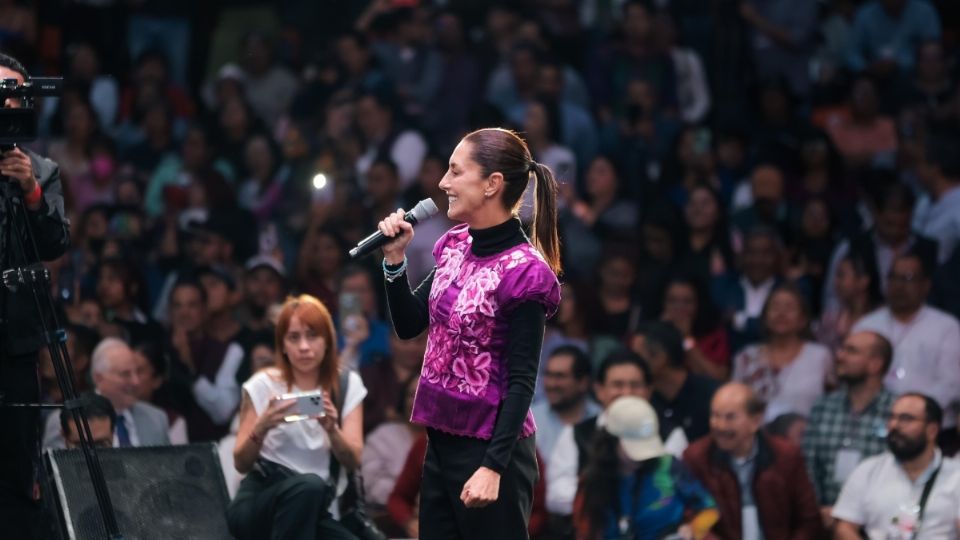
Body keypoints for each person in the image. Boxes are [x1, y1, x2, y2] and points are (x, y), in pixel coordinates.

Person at [378, 127, 562, 539]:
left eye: (456, 172)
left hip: (491, 449)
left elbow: (521, 382)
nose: (443, 183)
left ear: (492, 184)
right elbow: (409, 325)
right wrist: (394, 261)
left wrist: (493, 467)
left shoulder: (525, 272)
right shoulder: (456, 244)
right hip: (441, 440)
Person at [0, 50, 71, 539]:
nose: (5, 101)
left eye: (13, 92)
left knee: (18, 469)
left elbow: (55, 242)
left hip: (17, 341)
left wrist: (28, 189)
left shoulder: (41, 169)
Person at [227, 294, 366, 540]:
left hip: (315, 509)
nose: (304, 347)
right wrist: (262, 426)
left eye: (312, 336)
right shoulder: (263, 384)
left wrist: (333, 429)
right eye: (294, 337)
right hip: (261, 500)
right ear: (282, 345)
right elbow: (240, 463)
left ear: (327, 341)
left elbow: (353, 461)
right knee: (309, 485)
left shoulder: (346, 384)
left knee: (312, 492)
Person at [683, 383, 824, 539]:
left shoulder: (787, 456)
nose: (721, 426)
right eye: (715, 416)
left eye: (730, 417)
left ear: (755, 421)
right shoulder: (696, 458)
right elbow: (692, 516)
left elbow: (808, 520)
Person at [574, 396, 719, 540]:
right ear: (611, 441)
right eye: (633, 448)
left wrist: (693, 529)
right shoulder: (591, 482)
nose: (642, 457)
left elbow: (710, 509)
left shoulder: (668, 466)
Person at [852, 252, 960, 445]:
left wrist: (912, 412)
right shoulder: (867, 325)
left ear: (925, 285)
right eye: (894, 277)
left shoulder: (947, 326)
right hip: (876, 424)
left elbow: (951, 383)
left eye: (908, 278)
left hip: (934, 428)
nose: (899, 285)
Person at [545, 349, 652, 537]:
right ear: (599, 390)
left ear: (649, 391)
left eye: (635, 385)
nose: (626, 393)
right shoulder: (575, 434)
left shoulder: (668, 434)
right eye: (617, 385)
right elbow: (555, 496)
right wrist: (606, 497)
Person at [832, 393, 960, 539]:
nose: (894, 425)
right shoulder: (869, 469)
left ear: (932, 430)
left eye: (906, 419)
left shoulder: (956, 475)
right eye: (892, 417)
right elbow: (844, 526)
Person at [802, 331, 895, 530]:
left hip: (877, 523)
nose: (840, 356)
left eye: (851, 351)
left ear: (875, 364)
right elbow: (808, 464)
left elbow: (898, 472)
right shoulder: (823, 405)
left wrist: (852, 517)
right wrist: (818, 508)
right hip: (823, 517)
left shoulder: (896, 411)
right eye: (842, 349)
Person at [43, 338, 171, 449]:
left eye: (137, 372)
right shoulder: (67, 419)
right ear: (98, 378)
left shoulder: (156, 418)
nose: (136, 382)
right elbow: (54, 472)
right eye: (125, 374)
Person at [732, 284, 833, 421]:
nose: (781, 313)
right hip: (755, 439)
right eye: (775, 307)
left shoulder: (821, 356)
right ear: (765, 317)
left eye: (789, 308)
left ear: (803, 319)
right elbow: (734, 403)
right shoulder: (746, 357)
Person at [531, 346, 601, 469]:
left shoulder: (601, 419)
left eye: (560, 376)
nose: (551, 384)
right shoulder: (530, 418)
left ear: (583, 383)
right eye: (548, 375)